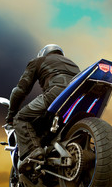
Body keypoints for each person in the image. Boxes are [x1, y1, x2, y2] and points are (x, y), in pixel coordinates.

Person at [6, 44, 80, 172]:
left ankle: (33, 152)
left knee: (21, 118)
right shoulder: (73, 64)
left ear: (43, 53)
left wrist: (11, 115)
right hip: (77, 97)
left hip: (56, 93)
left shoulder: (38, 61)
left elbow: (20, 91)